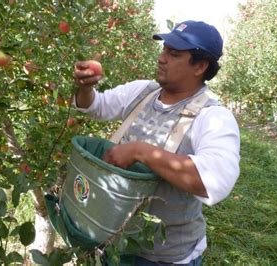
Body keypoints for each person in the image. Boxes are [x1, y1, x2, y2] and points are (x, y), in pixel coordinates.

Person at [72, 20, 240, 265]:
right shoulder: (143, 92)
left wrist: (142, 151)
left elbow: (215, 181)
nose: (162, 58)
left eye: (173, 54)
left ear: (200, 66)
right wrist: (85, 88)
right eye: (164, 49)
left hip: (164, 257)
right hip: (113, 241)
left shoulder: (213, 116)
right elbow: (95, 105)